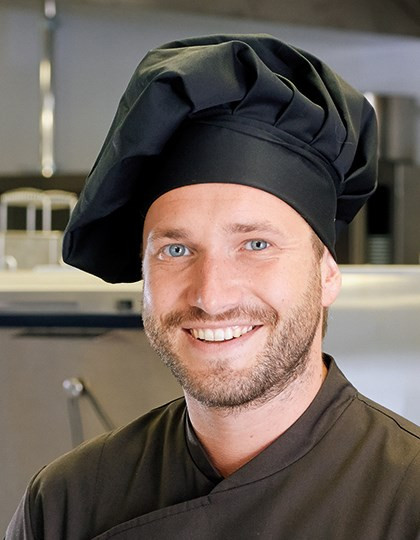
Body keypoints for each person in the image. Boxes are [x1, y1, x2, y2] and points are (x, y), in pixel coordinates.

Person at [6, 34, 420, 540]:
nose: (211, 295)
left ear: (327, 272)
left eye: (256, 245)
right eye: (176, 250)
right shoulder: (66, 502)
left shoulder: (408, 497)